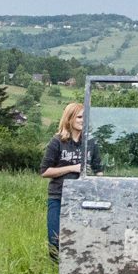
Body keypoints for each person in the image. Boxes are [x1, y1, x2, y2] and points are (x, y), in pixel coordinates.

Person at [41, 102, 87, 256]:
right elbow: (45, 171)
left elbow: (99, 170)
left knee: (79, 239)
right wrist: (71, 168)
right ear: (69, 118)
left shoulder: (90, 143)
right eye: (79, 117)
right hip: (58, 196)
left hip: (83, 198)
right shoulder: (57, 142)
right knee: (55, 239)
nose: (83, 120)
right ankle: (54, 272)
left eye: (85, 117)